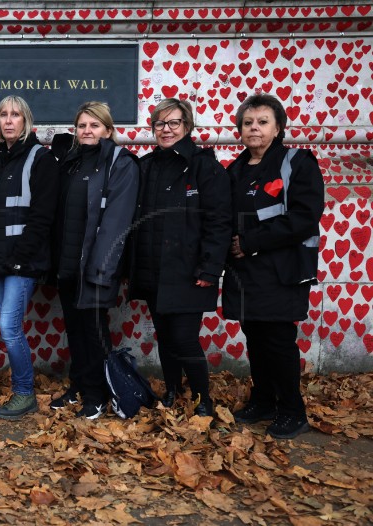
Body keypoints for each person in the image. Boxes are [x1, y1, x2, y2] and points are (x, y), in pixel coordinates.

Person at [223, 94, 324, 439]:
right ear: (240, 129)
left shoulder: (298, 162)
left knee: (279, 341)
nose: (254, 128)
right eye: (248, 122)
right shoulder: (235, 169)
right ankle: (264, 400)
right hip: (245, 274)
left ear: (278, 127)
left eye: (263, 121)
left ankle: (293, 411)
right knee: (256, 338)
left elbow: (305, 218)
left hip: (282, 271)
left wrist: (249, 242)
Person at [128, 98, 232, 417]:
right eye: (160, 124)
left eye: (174, 123)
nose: (166, 129)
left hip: (190, 272)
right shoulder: (145, 166)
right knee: (166, 337)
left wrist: (210, 268)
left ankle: (203, 400)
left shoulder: (204, 166)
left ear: (187, 126)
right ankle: (173, 390)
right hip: (154, 270)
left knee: (184, 338)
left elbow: (219, 221)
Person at [49, 102, 140, 419]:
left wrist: (101, 269)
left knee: (94, 331)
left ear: (109, 130)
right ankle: (80, 385)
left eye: (94, 125)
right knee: (75, 329)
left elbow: (116, 222)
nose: (87, 131)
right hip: (69, 264)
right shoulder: (72, 163)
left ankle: (98, 394)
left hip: (96, 267)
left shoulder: (120, 164)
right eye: (82, 126)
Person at [0, 95, 59, 420]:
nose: (9, 120)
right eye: (3, 115)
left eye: (15, 115)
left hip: (21, 263)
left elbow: (42, 217)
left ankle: (25, 393)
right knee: (8, 326)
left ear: (26, 120)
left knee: (10, 326)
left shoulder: (40, 159)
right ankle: (22, 389)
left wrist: (18, 259)